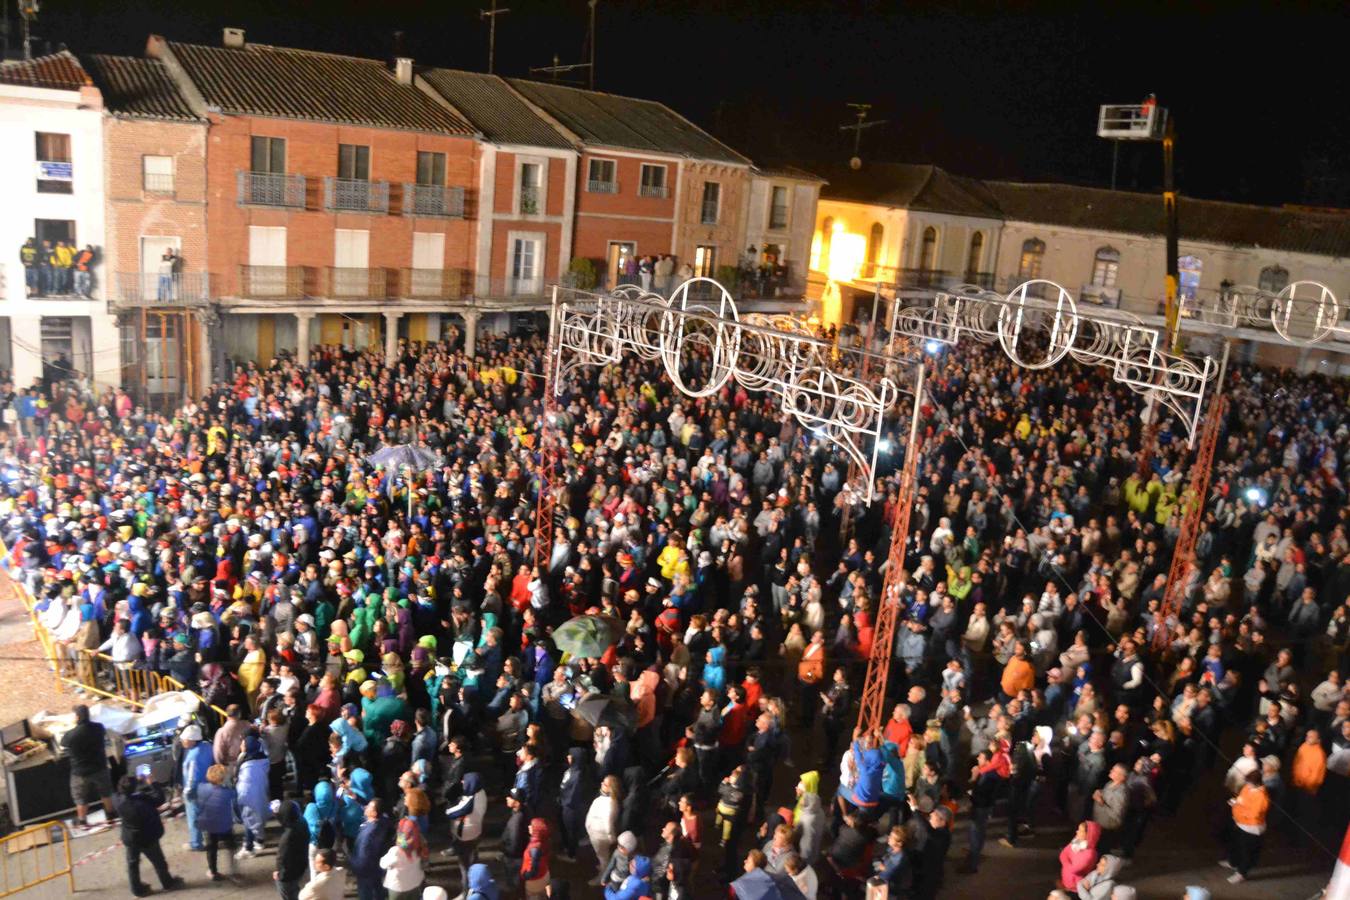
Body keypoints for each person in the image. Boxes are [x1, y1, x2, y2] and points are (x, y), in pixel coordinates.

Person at [115, 771, 184, 897]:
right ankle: (168, 883)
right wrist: (153, 783)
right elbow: (159, 799)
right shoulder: (141, 802)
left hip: (130, 838)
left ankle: (137, 889)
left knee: (133, 864)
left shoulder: (118, 801)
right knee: (159, 862)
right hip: (147, 838)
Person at [59, 704, 114, 829]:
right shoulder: (99, 728)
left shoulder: (71, 735)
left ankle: (82, 821)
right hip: (100, 767)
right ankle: (111, 814)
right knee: (106, 792)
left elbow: (63, 743)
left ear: (77, 717)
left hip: (80, 772)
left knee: (80, 798)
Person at [1220, 769, 1269, 884]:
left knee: (1246, 852)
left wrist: (1240, 807)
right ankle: (1233, 862)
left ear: (1256, 783)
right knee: (1236, 845)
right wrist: (1236, 801)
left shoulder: (1261, 796)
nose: (1247, 785)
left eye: (1249, 783)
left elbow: (1253, 814)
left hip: (1251, 828)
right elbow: (1242, 798)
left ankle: (1241, 873)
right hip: (1240, 824)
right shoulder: (1248, 788)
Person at [197, 764, 239, 882]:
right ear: (222, 779)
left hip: (207, 824)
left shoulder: (202, 788)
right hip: (224, 824)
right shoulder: (229, 792)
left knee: (211, 849)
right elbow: (235, 801)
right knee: (231, 845)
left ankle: (213, 872)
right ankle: (233, 869)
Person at [350, 798, 394, 900]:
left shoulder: (369, 833)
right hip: (375, 865)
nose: (366, 807)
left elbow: (363, 854)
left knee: (365, 892)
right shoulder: (382, 821)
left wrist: (355, 865)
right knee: (377, 887)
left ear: (374, 813)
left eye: (369, 807)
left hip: (365, 868)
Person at [179, 724, 214, 851]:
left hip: (195, 791)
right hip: (208, 787)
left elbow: (192, 778)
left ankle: (196, 843)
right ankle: (214, 836)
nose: (182, 741)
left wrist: (186, 792)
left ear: (193, 740)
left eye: (185, 739)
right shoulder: (207, 746)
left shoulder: (194, 756)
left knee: (193, 817)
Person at [380, 818, 427, 900]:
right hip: (414, 884)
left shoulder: (396, 851)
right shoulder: (420, 845)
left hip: (398, 888)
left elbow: (383, 864)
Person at [275, 800, 312, 900]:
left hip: (288, 874)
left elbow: (281, 858)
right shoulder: (302, 822)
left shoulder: (287, 837)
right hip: (301, 865)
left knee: (288, 894)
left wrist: (279, 873)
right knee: (295, 890)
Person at [1059, 821, 1101, 891]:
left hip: (1076, 886)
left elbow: (1074, 869)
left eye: (1080, 831)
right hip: (1066, 881)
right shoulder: (1075, 843)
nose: (1077, 832)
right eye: (1078, 829)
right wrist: (1067, 863)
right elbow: (1062, 854)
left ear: (1088, 835)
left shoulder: (1090, 853)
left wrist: (1066, 863)